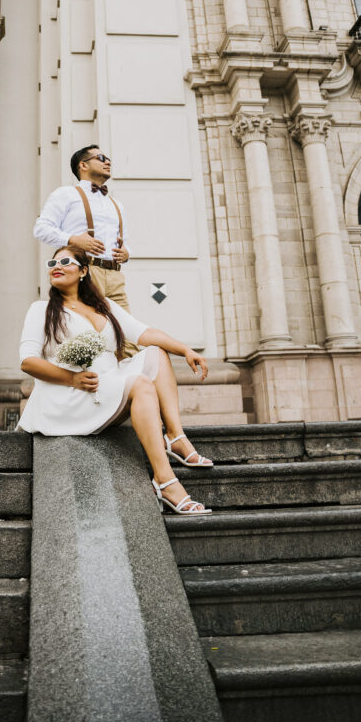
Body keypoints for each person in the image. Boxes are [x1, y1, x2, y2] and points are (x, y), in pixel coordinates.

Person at [18, 244, 214, 515]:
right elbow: (27, 361)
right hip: (71, 393)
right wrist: (73, 378)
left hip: (109, 380)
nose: (56, 268)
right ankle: (165, 480)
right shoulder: (42, 309)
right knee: (141, 384)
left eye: (64, 262)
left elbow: (143, 333)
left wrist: (185, 350)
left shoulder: (104, 306)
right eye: (52, 264)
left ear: (83, 271)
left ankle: (175, 435)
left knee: (157, 353)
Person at [34, 145, 131, 310]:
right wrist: (73, 239)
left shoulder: (116, 204)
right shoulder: (66, 194)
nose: (107, 162)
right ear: (83, 165)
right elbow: (41, 229)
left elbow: (124, 241)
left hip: (115, 276)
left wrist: (126, 253)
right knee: (86, 323)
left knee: (124, 325)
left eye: (108, 159)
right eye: (101, 158)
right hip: (85, 272)